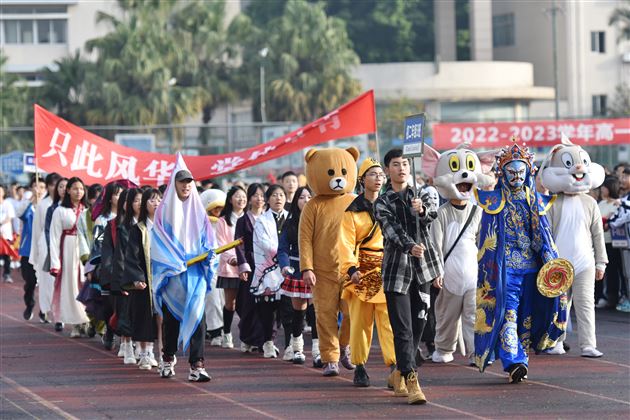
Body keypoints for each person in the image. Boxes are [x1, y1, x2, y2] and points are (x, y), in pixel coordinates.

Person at [475, 139, 568, 383]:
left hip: (532, 269)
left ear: (528, 172)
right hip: (505, 270)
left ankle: (521, 359)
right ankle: (512, 360)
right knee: (508, 314)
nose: (516, 177)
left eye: (520, 172)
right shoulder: (493, 202)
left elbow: (545, 238)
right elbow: (486, 240)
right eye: (511, 172)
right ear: (502, 173)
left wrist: (551, 263)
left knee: (527, 316)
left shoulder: (535, 201)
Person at [374, 149, 443, 404]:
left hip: (424, 268)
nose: (401, 168)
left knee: (420, 323)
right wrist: (409, 245)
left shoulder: (421, 193)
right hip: (397, 270)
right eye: (395, 164)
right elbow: (390, 230)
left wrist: (421, 210)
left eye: (404, 163)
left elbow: (432, 216)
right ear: (387, 170)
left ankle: (399, 372)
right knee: (402, 327)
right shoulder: (382, 201)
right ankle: (412, 379)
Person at [152, 162, 217, 382]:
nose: (186, 186)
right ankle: (168, 358)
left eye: (189, 182)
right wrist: (173, 262)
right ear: (174, 183)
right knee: (171, 319)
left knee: (199, 317)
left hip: (196, 272)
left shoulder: (198, 210)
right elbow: (158, 241)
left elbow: (208, 239)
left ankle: (197, 365)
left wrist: (209, 254)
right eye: (182, 182)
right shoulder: (164, 211)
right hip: (173, 274)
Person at [339, 158, 397, 388]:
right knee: (360, 322)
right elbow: (345, 243)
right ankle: (360, 366)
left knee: (389, 321)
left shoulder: (391, 206)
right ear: (362, 181)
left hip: (387, 269)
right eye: (372, 174)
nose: (378, 178)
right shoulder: (351, 212)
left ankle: (394, 365)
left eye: (380, 174)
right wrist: (351, 268)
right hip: (361, 271)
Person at [278, 186, 320, 366]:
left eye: (309, 196)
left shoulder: (320, 220)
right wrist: (285, 265)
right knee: (298, 311)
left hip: (317, 270)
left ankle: (318, 352)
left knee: (315, 312)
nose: (306, 200)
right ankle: (297, 349)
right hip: (296, 269)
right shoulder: (290, 223)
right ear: (296, 201)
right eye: (302, 197)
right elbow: (282, 249)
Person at [123, 188, 162, 370]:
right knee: (145, 315)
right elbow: (132, 256)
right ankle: (145, 353)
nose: (156, 203)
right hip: (145, 278)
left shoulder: (166, 228)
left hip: (163, 276)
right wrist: (137, 278)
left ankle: (162, 353)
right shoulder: (138, 229)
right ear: (145, 204)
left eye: (159, 200)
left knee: (162, 317)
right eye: (152, 200)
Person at [49, 177, 91, 338]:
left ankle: (87, 319)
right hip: (67, 248)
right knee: (71, 285)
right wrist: (55, 262)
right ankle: (75, 323)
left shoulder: (88, 209)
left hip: (85, 249)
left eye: (81, 189)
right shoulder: (60, 210)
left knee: (85, 284)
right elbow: (53, 237)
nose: (78, 192)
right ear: (68, 190)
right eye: (74, 188)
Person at [251, 184, 288, 358]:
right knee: (267, 309)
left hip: (288, 271)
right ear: (268, 199)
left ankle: (290, 345)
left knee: (288, 309)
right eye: (274, 195)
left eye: (281, 195)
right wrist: (283, 253)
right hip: (267, 271)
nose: (278, 198)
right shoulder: (261, 221)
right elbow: (265, 245)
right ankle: (268, 342)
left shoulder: (291, 218)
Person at [234, 183, 267, 353]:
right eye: (255, 195)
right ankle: (247, 337)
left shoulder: (269, 218)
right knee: (248, 303)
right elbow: (239, 245)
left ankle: (265, 339)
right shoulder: (242, 221)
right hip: (250, 266)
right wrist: (243, 267)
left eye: (262, 195)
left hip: (268, 267)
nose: (259, 199)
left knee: (267, 304)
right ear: (250, 198)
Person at [214, 186, 247, 349]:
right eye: (237, 197)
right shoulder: (223, 221)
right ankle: (227, 333)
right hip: (230, 266)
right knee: (230, 303)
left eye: (243, 196)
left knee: (247, 302)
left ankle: (247, 335)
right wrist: (233, 258)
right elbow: (221, 244)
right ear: (230, 200)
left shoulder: (249, 218)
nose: (241, 200)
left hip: (248, 266)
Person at [113, 188, 143, 365]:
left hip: (144, 274)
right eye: (136, 200)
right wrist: (124, 281)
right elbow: (121, 257)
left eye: (141, 200)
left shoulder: (149, 225)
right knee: (127, 311)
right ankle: (127, 344)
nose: (139, 203)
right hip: (128, 275)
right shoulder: (124, 227)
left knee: (142, 312)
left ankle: (141, 347)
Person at [29, 172, 61, 323]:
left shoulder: (65, 204)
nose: (55, 188)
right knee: (47, 280)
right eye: (52, 184)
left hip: (63, 246)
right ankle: (48, 310)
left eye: (58, 184)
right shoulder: (43, 204)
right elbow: (37, 230)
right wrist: (34, 254)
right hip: (46, 247)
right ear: (48, 186)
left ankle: (61, 312)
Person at [199, 188, 227, 345]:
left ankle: (223, 329)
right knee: (212, 298)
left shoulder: (226, 222)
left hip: (227, 265)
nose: (218, 212)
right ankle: (215, 330)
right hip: (208, 267)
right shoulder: (199, 223)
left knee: (224, 300)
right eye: (215, 208)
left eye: (221, 208)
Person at [18, 177, 47, 320]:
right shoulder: (27, 206)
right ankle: (29, 304)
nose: (39, 189)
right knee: (30, 281)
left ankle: (44, 310)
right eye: (36, 186)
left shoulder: (49, 206)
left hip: (44, 251)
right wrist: (31, 200)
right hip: (28, 251)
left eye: (42, 187)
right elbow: (20, 214)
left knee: (45, 282)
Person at [597, 177, 623, 309]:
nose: (602, 189)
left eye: (605, 187)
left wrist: (604, 222)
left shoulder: (617, 203)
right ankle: (600, 296)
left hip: (612, 242)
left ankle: (613, 297)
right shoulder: (600, 204)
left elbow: (609, 222)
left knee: (613, 271)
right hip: (600, 241)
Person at [0, 184, 16, 283]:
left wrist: (0, 223)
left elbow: (9, 217)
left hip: (6, 234)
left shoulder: (8, 203)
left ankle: (7, 274)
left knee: (7, 255)